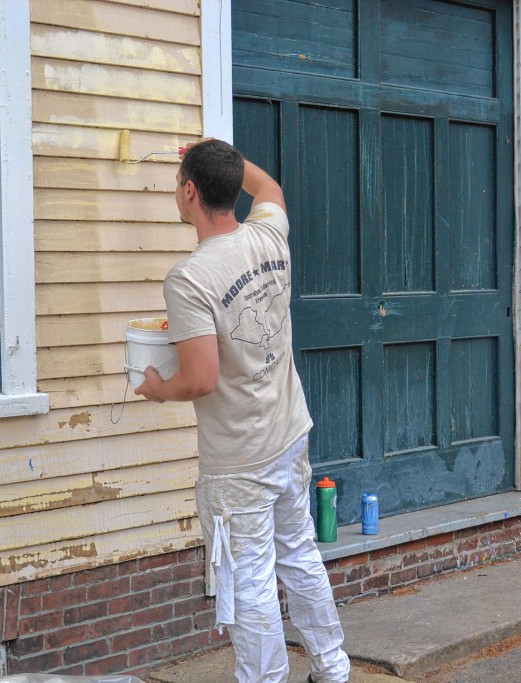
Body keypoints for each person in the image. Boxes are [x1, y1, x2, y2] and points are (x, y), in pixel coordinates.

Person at [134, 139, 351, 683]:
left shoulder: (190, 278)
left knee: (251, 581)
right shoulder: (268, 234)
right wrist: (227, 160)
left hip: (239, 461)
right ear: (230, 190)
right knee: (299, 552)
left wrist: (157, 388)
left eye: (179, 182)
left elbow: (201, 379)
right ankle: (332, 666)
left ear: (188, 191)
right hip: (288, 432)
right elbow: (270, 189)